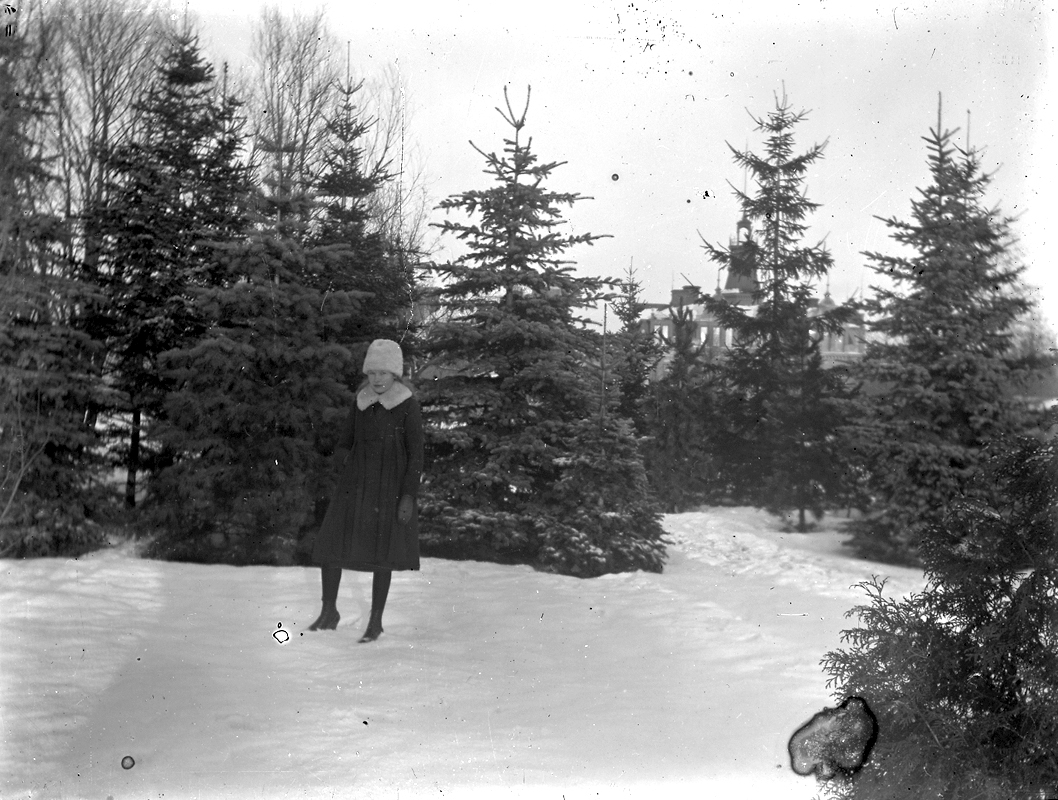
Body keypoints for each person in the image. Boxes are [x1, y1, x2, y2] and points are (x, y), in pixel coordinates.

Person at [307, 338, 424, 643]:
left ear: (395, 374)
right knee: (332, 545)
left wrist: (408, 495)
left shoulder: (407, 405)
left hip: (389, 487)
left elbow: (416, 455)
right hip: (355, 485)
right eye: (372, 373)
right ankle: (329, 612)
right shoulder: (360, 401)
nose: (377, 379)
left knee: (381, 554)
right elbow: (344, 441)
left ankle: (375, 622)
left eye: (383, 373)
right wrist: (346, 458)